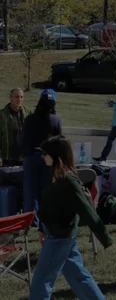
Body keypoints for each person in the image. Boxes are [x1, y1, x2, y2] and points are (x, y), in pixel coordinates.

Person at [29, 136, 113, 300]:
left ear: (55, 155)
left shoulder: (68, 180)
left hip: (59, 238)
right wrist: (41, 228)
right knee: (79, 277)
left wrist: (106, 238)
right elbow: (47, 205)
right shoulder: (55, 175)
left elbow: (87, 211)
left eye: (45, 153)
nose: (42, 157)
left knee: (41, 282)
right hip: (60, 235)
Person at [21, 89, 62, 225]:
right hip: (49, 158)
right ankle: (45, 221)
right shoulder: (55, 120)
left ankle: (31, 222)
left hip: (31, 157)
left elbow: (23, 139)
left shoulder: (30, 119)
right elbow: (60, 142)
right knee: (47, 190)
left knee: (31, 192)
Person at [95, 79, 116, 162]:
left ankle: (103, 157)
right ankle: (103, 157)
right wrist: (112, 103)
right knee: (113, 141)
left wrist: (113, 104)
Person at [0, 88, 24, 166]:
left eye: (21, 97)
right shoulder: (2, 115)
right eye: (16, 97)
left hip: (23, 157)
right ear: (10, 98)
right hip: (7, 159)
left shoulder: (27, 113)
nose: (19, 99)